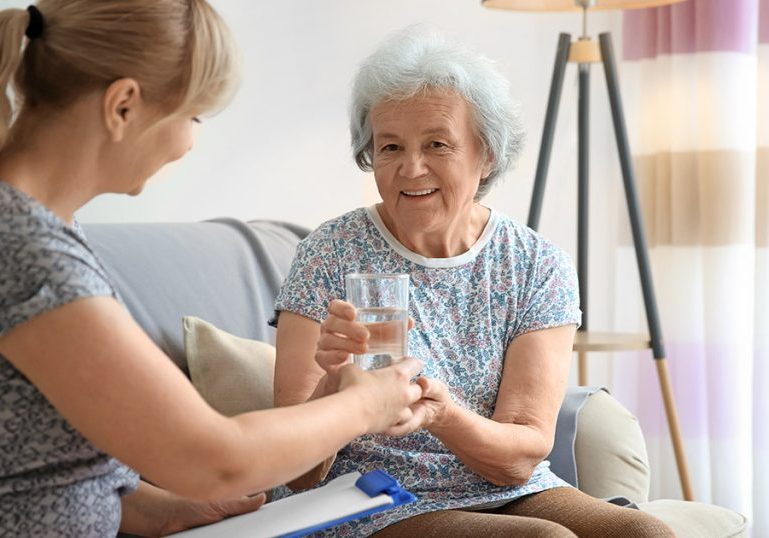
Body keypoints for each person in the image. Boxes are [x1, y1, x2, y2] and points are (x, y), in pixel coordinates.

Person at [0, 3, 425, 536]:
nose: (189, 142)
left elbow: (35, 463)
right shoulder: (27, 252)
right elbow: (215, 457)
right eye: (194, 115)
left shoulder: (48, 231)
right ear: (123, 105)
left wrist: (160, 511)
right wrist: (366, 405)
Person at [273, 26, 676, 537]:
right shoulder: (329, 255)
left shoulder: (535, 265)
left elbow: (520, 456)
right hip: (371, 496)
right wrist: (336, 387)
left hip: (511, 490)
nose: (410, 168)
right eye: (390, 146)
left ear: (486, 154)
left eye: (437, 144)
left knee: (648, 533)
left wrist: (442, 415)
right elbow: (291, 470)